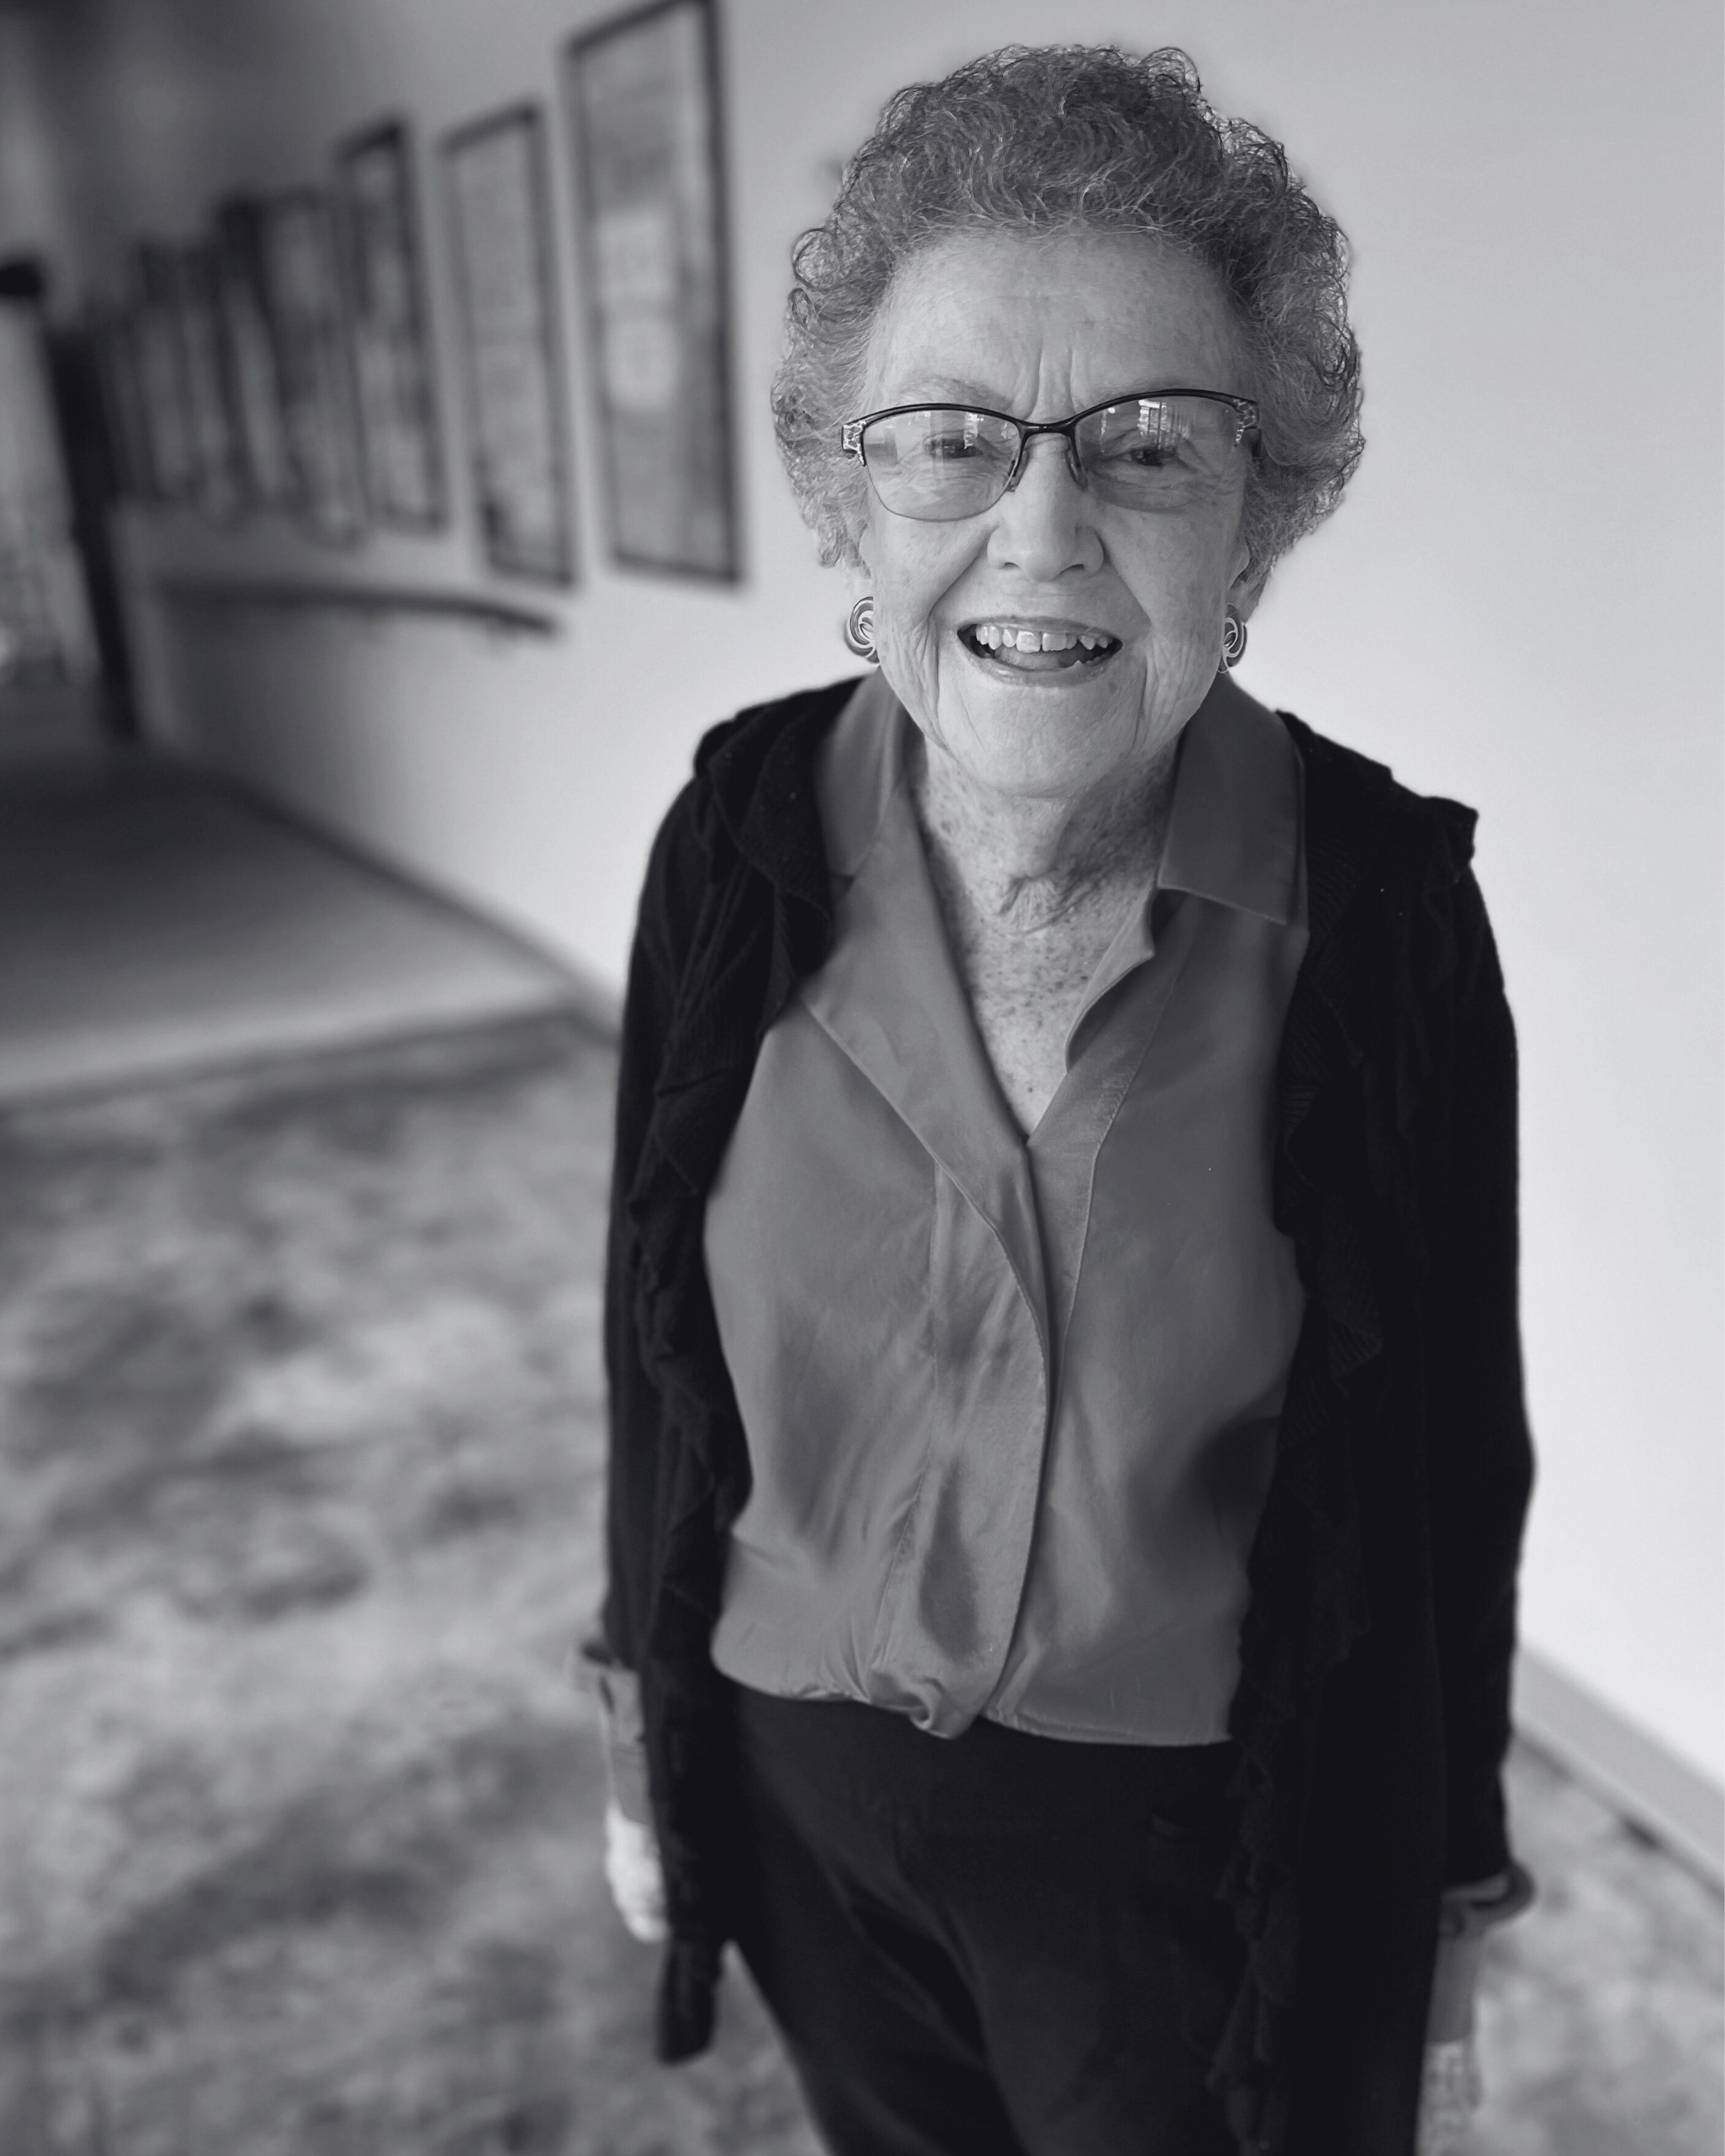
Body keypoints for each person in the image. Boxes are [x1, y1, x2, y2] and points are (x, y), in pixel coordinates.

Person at [588, 44, 1534, 2156]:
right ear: (850, 495)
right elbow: (646, 1322)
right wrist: (634, 1720)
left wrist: (1442, 1886)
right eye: (946, 444)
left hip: (1184, 1842)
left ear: (1255, 512)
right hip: (796, 1777)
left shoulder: (1376, 911)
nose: (1041, 526)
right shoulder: (736, 825)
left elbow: (1443, 1444)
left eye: (1142, 445)